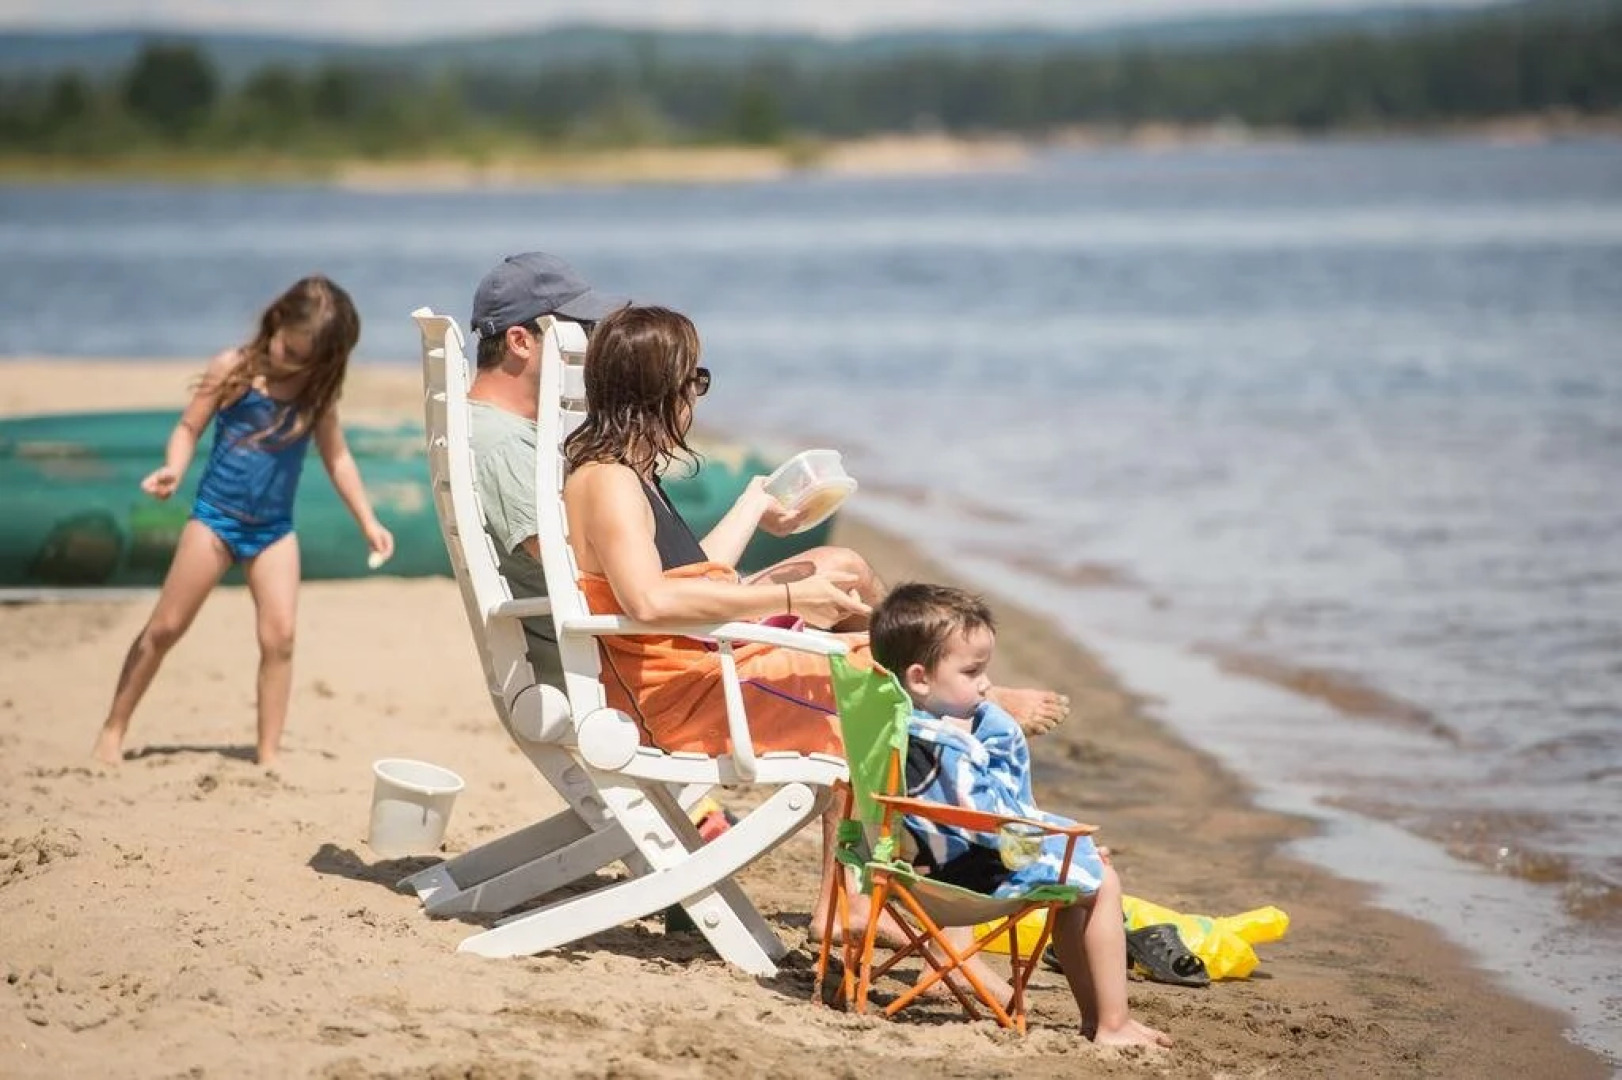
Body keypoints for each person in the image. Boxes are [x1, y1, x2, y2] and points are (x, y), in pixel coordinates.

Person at [464, 251, 1069, 737]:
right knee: (874, 678)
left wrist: (754, 502)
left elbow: (654, 579)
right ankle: (967, 709)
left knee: (852, 598)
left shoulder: (596, 461)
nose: (698, 395)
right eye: (693, 380)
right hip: (667, 679)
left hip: (669, 653)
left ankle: (961, 698)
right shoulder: (595, 472)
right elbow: (640, 600)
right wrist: (786, 598)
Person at [91, 275, 394, 768]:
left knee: (281, 638)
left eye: (303, 357)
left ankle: (268, 753)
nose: (287, 361)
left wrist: (368, 520)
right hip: (214, 519)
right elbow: (189, 427)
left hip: (273, 530)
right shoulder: (233, 369)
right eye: (287, 347)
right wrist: (173, 467)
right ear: (276, 319)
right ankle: (113, 728)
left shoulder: (315, 396)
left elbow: (337, 458)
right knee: (165, 627)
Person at [869, 582, 1172, 1048]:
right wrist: (1058, 843)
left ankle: (1098, 1022)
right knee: (1100, 882)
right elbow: (990, 825)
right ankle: (1110, 1022)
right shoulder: (948, 748)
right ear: (920, 679)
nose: (987, 684)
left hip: (903, 868)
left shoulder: (893, 724)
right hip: (961, 880)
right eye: (972, 672)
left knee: (1081, 875)